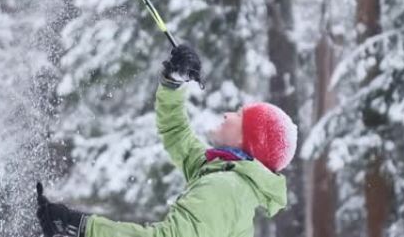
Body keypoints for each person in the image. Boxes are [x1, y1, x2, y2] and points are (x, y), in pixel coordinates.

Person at [36, 44, 298, 237]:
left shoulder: (225, 188)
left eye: (240, 116)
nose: (228, 114)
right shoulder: (223, 173)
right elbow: (176, 132)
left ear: (248, 141)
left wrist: (84, 228)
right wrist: (174, 83)